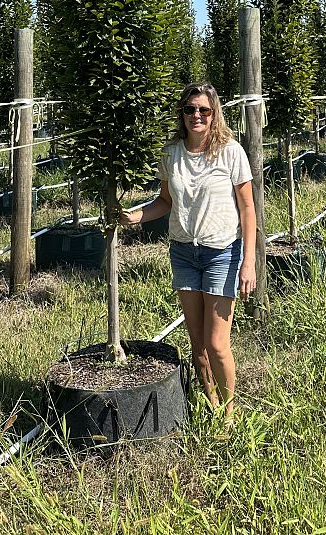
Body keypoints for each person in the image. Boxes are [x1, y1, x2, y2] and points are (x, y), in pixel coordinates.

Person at [120, 82, 257, 419]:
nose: (197, 115)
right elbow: (165, 201)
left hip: (221, 252)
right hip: (183, 252)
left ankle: (229, 412)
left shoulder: (231, 152)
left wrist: (249, 261)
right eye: (190, 109)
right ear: (182, 114)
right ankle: (210, 404)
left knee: (217, 344)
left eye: (204, 110)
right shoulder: (171, 153)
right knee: (198, 346)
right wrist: (134, 216)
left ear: (214, 114)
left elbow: (248, 210)